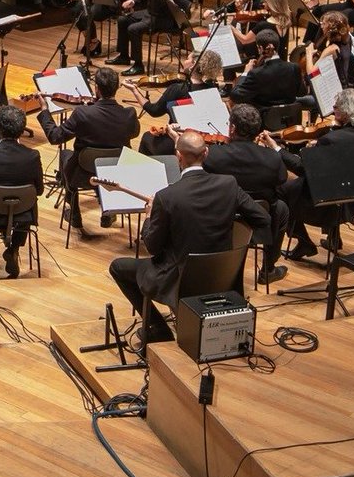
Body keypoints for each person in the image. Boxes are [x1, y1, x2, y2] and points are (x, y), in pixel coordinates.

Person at [108, 131, 269, 345]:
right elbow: (263, 218)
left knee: (118, 267)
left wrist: (148, 217)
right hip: (221, 273)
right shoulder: (229, 184)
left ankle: (158, 329)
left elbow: (153, 246)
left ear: (178, 157)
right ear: (207, 152)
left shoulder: (167, 197)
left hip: (181, 279)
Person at [263, 88, 354, 260]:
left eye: (336, 107)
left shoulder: (333, 139)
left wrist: (276, 148)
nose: (333, 109)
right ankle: (334, 237)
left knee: (279, 191)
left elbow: (303, 168)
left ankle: (304, 242)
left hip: (329, 201)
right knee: (338, 173)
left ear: (347, 112)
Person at [38, 66, 137, 231]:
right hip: (115, 174)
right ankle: (108, 209)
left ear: (96, 88)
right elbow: (133, 133)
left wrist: (44, 111)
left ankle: (74, 213)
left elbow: (55, 137)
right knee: (103, 158)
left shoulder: (83, 113)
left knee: (65, 154)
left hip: (83, 176)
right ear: (116, 88)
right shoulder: (129, 114)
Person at [201, 104, 289, 283]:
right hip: (258, 222)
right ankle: (268, 269)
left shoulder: (213, 155)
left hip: (220, 221)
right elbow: (281, 180)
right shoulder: (272, 157)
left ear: (232, 128)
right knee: (281, 208)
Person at [0, 104, 44, 278]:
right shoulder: (33, 155)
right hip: (21, 215)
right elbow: (40, 190)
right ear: (21, 131)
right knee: (28, 201)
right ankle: (13, 249)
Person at [124, 49, 224, 154]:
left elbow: (154, 111)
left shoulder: (178, 89)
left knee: (147, 137)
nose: (184, 61)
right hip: (202, 140)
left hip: (178, 139)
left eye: (187, 58)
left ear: (193, 64)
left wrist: (134, 90)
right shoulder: (212, 88)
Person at [228, 28, 304, 108]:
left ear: (260, 48)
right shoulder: (294, 67)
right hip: (292, 117)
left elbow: (236, 96)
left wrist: (245, 73)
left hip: (265, 118)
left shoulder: (256, 74)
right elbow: (302, 92)